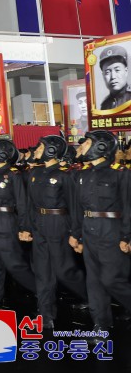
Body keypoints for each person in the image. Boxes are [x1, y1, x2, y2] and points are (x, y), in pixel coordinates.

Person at [20, 135, 88, 329]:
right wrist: (27, 227)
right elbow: (29, 204)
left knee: (64, 270)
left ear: (51, 150)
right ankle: (45, 314)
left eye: (41, 147)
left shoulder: (65, 175)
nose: (36, 151)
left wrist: (76, 233)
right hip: (40, 223)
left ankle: (92, 296)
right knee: (41, 271)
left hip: (59, 222)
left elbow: (75, 207)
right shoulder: (35, 174)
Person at [69, 130, 131, 331]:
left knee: (111, 279)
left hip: (111, 230)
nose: (82, 147)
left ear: (101, 147)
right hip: (89, 229)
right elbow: (78, 208)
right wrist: (75, 234)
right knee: (94, 281)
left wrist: (127, 235)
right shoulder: (82, 175)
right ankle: (101, 326)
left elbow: (128, 206)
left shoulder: (120, 174)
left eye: (87, 143)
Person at [0, 139, 36, 309]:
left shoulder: (13, 174)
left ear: (3, 152)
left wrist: (25, 227)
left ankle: (42, 290)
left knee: (14, 263)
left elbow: (22, 203)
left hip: (7, 220)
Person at [98, 45, 131, 110]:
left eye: (117, 70)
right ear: (103, 75)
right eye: (107, 72)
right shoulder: (105, 105)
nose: (113, 77)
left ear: (126, 71)